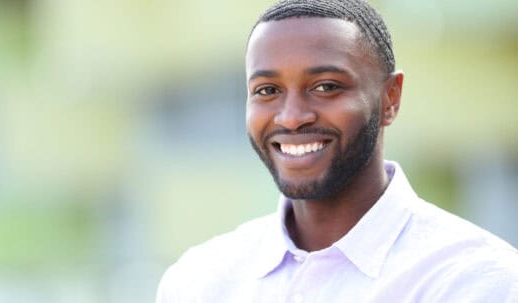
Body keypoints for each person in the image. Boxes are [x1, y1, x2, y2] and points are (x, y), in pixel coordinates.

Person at [156, 0, 518, 302]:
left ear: (390, 98)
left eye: (326, 86)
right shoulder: (198, 281)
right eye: (267, 90)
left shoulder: (473, 281)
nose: (292, 117)